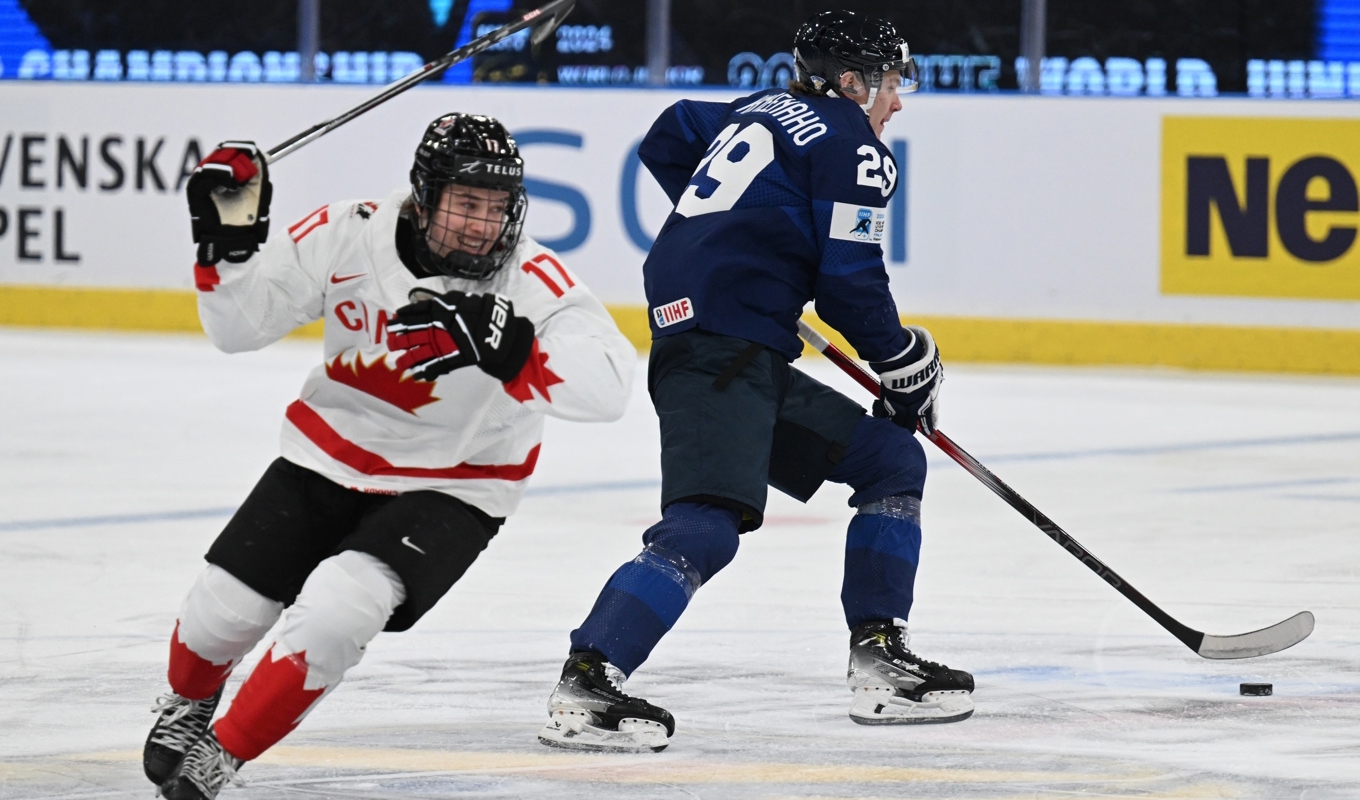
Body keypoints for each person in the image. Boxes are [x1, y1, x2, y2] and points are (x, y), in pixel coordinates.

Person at [143, 113, 635, 799]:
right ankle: (190, 702)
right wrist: (224, 250)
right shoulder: (351, 232)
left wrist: (513, 347)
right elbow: (236, 328)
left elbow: (610, 389)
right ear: (425, 195)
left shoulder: (532, 282)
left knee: (341, 610)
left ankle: (223, 753)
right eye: (465, 203)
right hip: (326, 455)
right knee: (220, 614)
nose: (481, 225)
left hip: (458, 486)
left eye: (496, 208)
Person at [537, 11, 973, 754]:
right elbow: (850, 286)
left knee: (891, 461)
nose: (898, 101)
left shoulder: (758, 109)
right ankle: (589, 676)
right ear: (852, 81)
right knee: (707, 522)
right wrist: (905, 362)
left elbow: (669, 133)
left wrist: (746, 240)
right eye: (893, 82)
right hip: (722, 355)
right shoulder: (851, 145)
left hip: (736, 348)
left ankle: (879, 657)